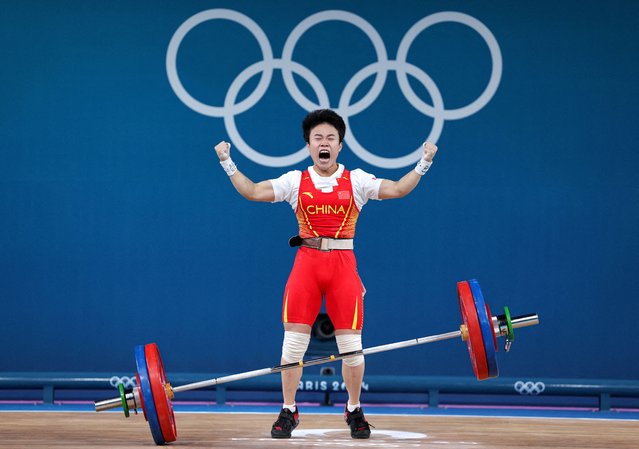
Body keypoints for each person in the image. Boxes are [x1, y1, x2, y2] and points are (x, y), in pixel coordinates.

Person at [214, 109, 438, 439]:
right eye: (318, 137)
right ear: (309, 146)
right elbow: (253, 192)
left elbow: (398, 189)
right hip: (306, 264)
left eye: (330, 138)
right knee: (292, 347)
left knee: (352, 347)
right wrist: (227, 162)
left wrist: (424, 162)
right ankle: (288, 410)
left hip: (343, 267)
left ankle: (354, 408)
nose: (324, 143)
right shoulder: (295, 181)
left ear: (339, 145)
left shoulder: (357, 180)